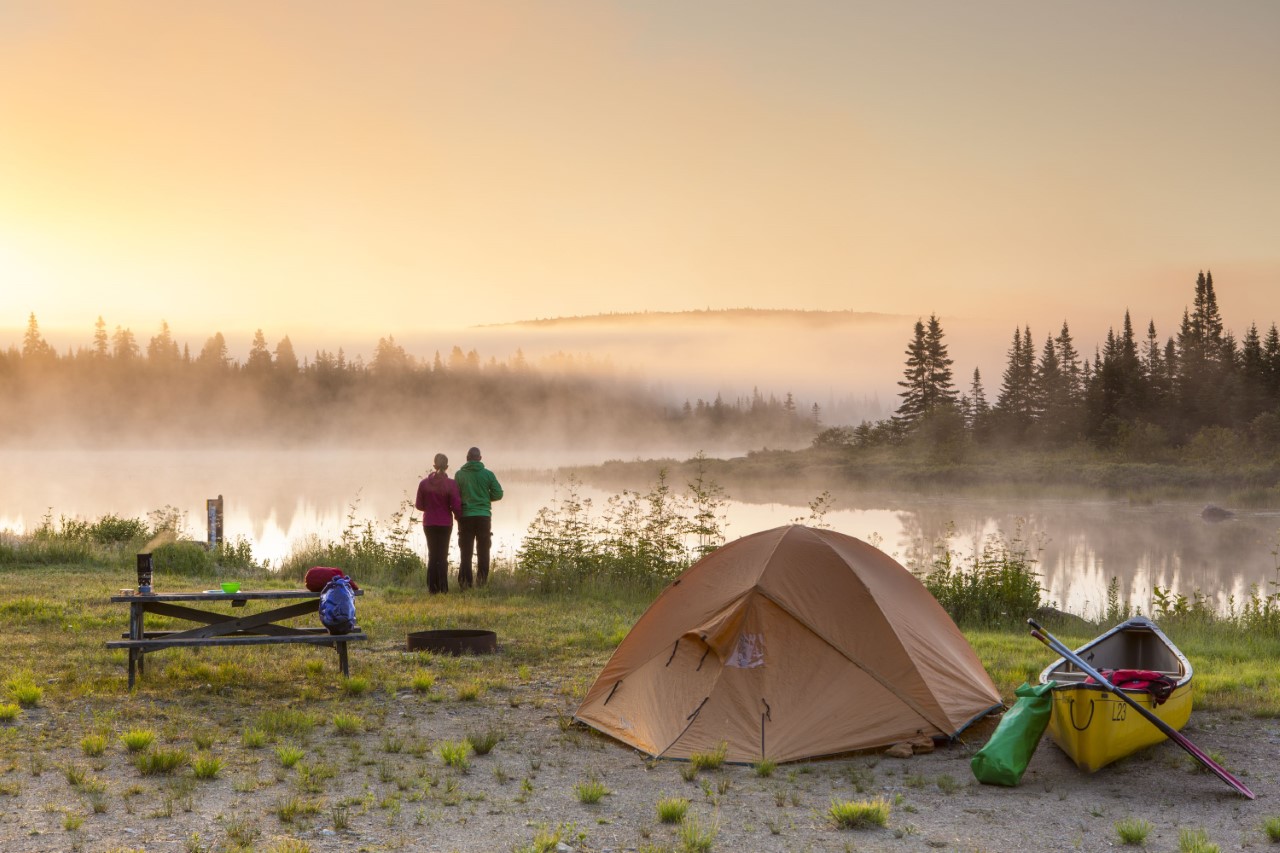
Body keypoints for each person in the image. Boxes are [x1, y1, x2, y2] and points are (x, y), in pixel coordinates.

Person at [454, 446, 503, 588]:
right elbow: (498, 494)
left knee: (466, 551)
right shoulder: (488, 474)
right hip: (483, 516)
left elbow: (455, 496)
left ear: (467, 458)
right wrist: (485, 498)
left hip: (465, 516)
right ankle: (481, 583)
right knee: (483, 551)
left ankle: (465, 583)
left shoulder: (459, 475)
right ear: (480, 458)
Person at [414, 453, 461, 594]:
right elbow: (456, 506)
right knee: (442, 555)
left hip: (429, 523)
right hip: (445, 524)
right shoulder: (451, 484)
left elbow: (419, 505)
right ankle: (443, 588)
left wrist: (430, 509)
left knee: (432, 555)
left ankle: (432, 588)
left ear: (434, 466)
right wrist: (458, 517)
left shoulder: (423, 484)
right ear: (447, 467)